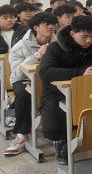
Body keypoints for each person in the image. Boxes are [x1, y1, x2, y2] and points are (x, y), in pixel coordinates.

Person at [39, 16, 92, 164]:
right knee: (54, 123)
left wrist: (90, 71)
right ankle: (61, 141)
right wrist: (79, 73)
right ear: (72, 34)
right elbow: (45, 72)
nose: (89, 40)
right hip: (57, 93)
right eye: (84, 36)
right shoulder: (55, 47)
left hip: (89, 92)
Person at [5, 12, 57, 156]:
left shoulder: (58, 42)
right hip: (23, 80)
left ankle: (61, 133)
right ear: (36, 27)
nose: (51, 27)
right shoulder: (20, 46)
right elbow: (17, 74)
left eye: (53, 24)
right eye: (46, 24)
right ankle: (21, 134)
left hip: (48, 78)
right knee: (24, 93)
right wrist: (37, 56)